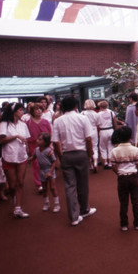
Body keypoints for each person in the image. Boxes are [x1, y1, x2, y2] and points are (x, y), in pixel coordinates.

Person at [52, 95, 96, 226]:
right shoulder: (83, 118)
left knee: (69, 186)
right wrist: (89, 153)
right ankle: (84, 209)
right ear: (76, 106)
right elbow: (88, 139)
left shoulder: (57, 121)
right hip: (81, 153)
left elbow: (55, 142)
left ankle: (74, 217)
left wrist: (61, 156)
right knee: (83, 184)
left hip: (66, 154)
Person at [0, 102, 31, 218]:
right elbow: (1, 140)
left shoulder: (23, 124)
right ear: (14, 112)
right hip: (9, 156)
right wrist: (16, 136)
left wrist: (27, 148)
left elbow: (26, 139)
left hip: (22, 156)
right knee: (12, 185)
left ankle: (18, 208)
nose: (23, 112)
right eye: (20, 110)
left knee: (20, 182)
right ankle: (14, 199)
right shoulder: (4, 124)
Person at [111, 126, 138, 231]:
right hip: (133, 176)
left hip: (122, 178)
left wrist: (119, 173)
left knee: (123, 202)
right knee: (136, 201)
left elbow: (114, 167)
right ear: (130, 137)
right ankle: (137, 223)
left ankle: (124, 225)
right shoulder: (135, 149)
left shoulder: (115, 151)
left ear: (118, 137)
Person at [30, 132, 60, 213]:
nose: (37, 141)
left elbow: (54, 161)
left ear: (45, 142)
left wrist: (50, 172)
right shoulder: (36, 150)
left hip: (49, 170)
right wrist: (28, 159)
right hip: (42, 171)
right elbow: (33, 157)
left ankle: (57, 204)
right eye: (38, 139)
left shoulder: (49, 151)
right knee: (44, 188)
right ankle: (46, 203)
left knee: (52, 187)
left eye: (40, 139)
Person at [26, 103, 52, 193]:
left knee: (47, 164)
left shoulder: (45, 121)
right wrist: (27, 148)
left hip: (46, 146)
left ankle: (46, 180)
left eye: (40, 109)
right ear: (32, 111)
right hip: (33, 146)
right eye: (36, 109)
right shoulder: (28, 123)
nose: (39, 111)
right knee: (36, 165)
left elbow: (50, 134)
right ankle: (39, 184)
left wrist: (51, 145)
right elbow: (26, 136)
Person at [81, 99, 101, 172]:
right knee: (95, 147)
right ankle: (95, 162)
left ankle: (90, 165)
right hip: (94, 130)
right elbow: (98, 125)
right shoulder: (96, 114)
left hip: (85, 131)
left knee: (87, 148)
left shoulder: (82, 113)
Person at [98, 100, 117, 169]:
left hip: (103, 131)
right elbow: (115, 122)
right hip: (110, 130)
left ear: (100, 106)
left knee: (102, 147)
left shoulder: (98, 114)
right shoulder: (111, 112)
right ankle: (110, 163)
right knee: (111, 146)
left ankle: (105, 162)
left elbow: (98, 124)